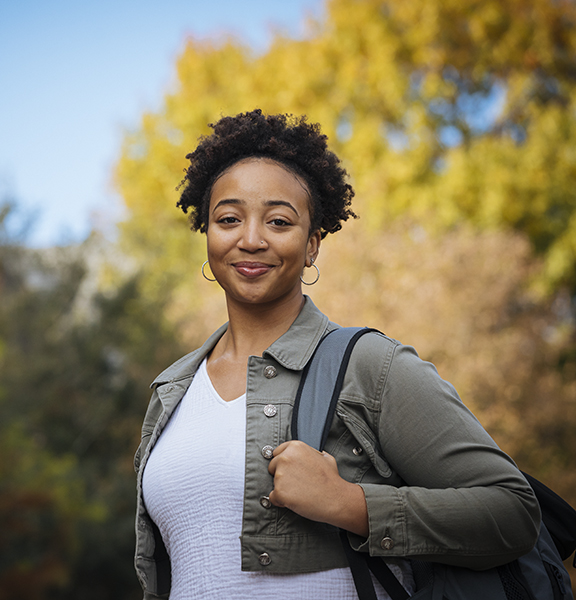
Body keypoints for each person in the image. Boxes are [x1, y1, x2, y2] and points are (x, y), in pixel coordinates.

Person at [133, 109, 540, 600]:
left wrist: (350, 503)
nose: (251, 238)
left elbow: (512, 511)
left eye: (279, 221)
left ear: (312, 245)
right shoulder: (172, 390)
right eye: (229, 219)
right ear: (208, 234)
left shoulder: (369, 365)